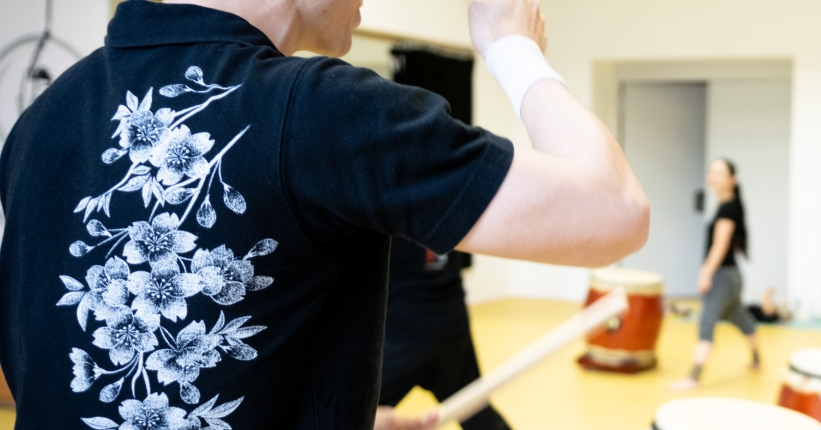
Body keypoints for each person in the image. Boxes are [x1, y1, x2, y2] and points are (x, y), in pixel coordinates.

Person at [0, 0, 650, 429]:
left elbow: (57, 374)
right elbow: (612, 210)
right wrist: (511, 47)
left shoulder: (43, 120)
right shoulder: (322, 110)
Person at [379, 241, 510, 430]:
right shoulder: (455, 213)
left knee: (341, 410)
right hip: (451, 323)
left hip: (405, 332)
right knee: (479, 415)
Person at [670, 159, 760, 391]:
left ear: (733, 180)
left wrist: (705, 272)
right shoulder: (730, 204)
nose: (713, 176)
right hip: (733, 278)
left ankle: (693, 378)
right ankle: (757, 359)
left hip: (722, 277)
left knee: (706, 323)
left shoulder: (728, 207)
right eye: (711, 171)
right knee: (739, 317)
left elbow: (720, 246)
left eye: (720, 172)